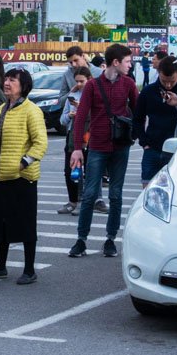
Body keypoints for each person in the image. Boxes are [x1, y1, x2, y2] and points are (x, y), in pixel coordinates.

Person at [0, 68, 48, 284]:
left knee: (26, 223)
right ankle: (0, 266)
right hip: (0, 176)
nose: (7, 83)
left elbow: (40, 142)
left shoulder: (31, 110)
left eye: (12, 80)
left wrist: (23, 162)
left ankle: (29, 269)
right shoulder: (1, 109)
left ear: (23, 85)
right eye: (6, 79)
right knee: (0, 223)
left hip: (22, 178)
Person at [68, 43, 138, 259]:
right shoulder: (92, 86)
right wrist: (77, 148)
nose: (130, 65)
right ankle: (81, 240)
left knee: (115, 195)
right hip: (97, 145)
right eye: (127, 61)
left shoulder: (128, 84)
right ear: (115, 63)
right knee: (89, 195)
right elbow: (80, 116)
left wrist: (134, 134)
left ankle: (110, 239)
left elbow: (138, 110)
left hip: (120, 147)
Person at [133, 55, 177, 187]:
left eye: (172, 81)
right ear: (158, 74)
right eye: (164, 81)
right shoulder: (148, 92)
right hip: (152, 148)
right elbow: (138, 118)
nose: (168, 85)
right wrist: (144, 142)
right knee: (148, 189)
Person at [56, 69, 92, 215]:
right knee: (70, 170)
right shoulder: (73, 95)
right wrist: (71, 115)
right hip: (73, 134)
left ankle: (86, 203)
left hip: (89, 135)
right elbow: (62, 120)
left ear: (89, 79)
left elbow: (98, 116)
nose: (79, 84)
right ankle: (72, 201)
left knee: (89, 171)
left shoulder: (93, 94)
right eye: (76, 81)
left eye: (82, 81)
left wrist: (83, 111)